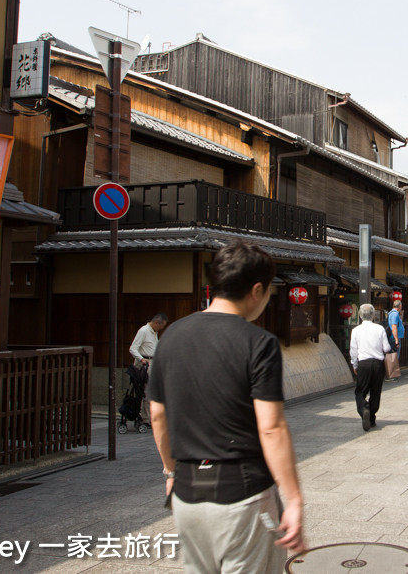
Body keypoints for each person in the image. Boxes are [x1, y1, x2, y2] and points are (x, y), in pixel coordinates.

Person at [149, 241, 305, 573]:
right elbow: (271, 427)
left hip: (187, 495)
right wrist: (293, 500)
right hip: (243, 496)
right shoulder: (258, 343)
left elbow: (158, 414)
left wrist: (170, 472)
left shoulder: (171, 337)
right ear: (257, 289)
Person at [349, 303, 392, 430]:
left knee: (360, 391)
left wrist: (354, 364)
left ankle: (364, 409)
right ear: (373, 315)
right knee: (375, 391)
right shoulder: (380, 329)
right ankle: (371, 418)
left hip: (364, 363)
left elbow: (353, 350)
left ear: (360, 316)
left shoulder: (356, 331)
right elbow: (387, 348)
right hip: (378, 364)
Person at [386, 300, 405, 381]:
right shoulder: (395, 314)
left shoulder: (392, 313)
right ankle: (392, 374)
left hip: (393, 337)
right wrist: (396, 339)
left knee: (393, 355)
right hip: (394, 338)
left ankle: (392, 373)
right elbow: (394, 327)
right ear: (399, 306)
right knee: (394, 356)